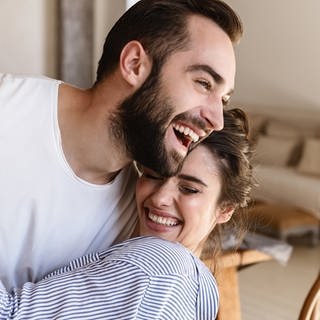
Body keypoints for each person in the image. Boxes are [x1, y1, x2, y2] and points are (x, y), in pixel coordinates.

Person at [0, 0, 243, 290]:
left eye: (223, 99)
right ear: (134, 65)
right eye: (203, 83)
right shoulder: (9, 106)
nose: (216, 119)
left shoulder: (142, 217)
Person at [0, 108, 253, 319]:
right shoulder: (202, 289)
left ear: (225, 209)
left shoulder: (161, 265)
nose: (160, 198)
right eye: (152, 175)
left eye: (189, 189)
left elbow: (11, 313)